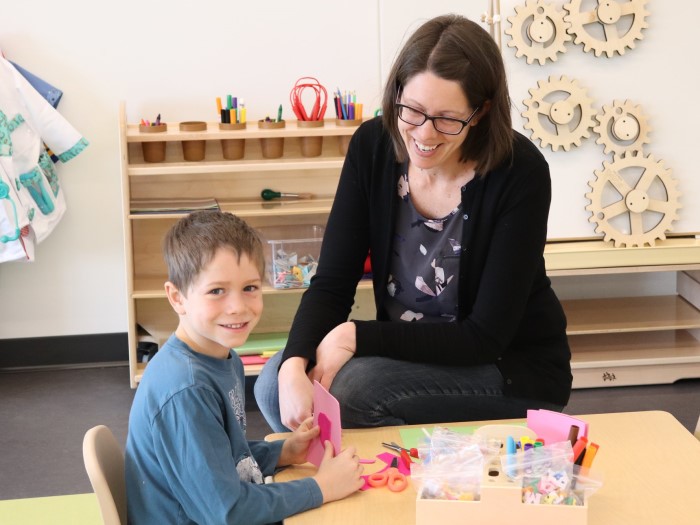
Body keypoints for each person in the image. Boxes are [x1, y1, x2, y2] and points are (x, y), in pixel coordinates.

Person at [255, 13, 572, 433]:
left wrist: (354, 337)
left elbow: (484, 336)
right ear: (397, 94)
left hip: (504, 365)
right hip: (410, 353)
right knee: (272, 384)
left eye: (447, 118)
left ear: (480, 113)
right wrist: (295, 364)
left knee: (353, 392)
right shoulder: (372, 147)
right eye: (413, 111)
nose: (424, 134)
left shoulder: (519, 172)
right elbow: (332, 281)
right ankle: (340, 468)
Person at [125, 210, 364, 525]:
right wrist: (321, 487)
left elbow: (223, 457)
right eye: (216, 291)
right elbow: (228, 512)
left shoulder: (223, 357)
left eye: (249, 288)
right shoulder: (187, 390)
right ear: (177, 297)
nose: (237, 306)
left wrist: (282, 453)